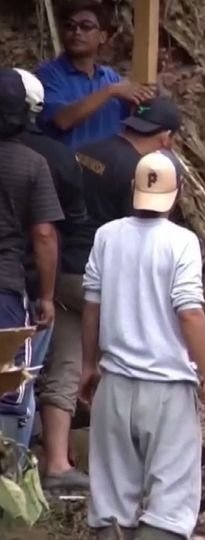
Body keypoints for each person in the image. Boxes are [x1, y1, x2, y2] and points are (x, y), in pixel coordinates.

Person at [80, 150, 205, 540]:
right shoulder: (182, 242)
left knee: (110, 498)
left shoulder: (106, 236)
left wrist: (88, 365)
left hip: (114, 383)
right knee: (171, 504)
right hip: (167, 387)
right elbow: (190, 312)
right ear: (176, 193)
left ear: (133, 189)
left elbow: (91, 306)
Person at [39, 95, 181, 489]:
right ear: (166, 138)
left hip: (62, 271)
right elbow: (138, 234)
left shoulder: (85, 152)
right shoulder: (141, 172)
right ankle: (125, 461)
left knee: (68, 364)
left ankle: (56, 463)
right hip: (99, 278)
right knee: (121, 364)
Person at [10, 68, 87, 467]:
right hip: (29, 285)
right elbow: (54, 231)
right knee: (23, 379)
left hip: (18, 281)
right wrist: (49, 292)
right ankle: (31, 468)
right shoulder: (53, 157)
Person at [0, 69, 63, 457]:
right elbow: (43, 235)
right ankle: (7, 482)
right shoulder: (31, 164)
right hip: (5, 289)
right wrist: (48, 296)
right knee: (6, 385)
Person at [35, 1, 154, 148]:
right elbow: (62, 120)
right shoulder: (48, 73)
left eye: (86, 26)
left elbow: (141, 113)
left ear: (102, 36)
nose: (77, 32)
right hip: (69, 169)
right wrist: (110, 91)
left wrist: (147, 100)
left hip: (110, 168)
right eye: (69, 26)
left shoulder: (110, 77)